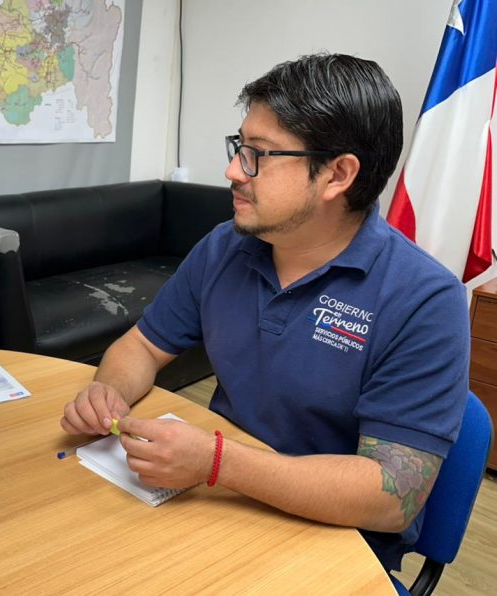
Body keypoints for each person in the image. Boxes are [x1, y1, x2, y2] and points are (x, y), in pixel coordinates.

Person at [59, 53, 469, 571]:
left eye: (260, 154)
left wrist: (215, 462)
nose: (233, 170)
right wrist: (109, 392)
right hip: (213, 500)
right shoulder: (225, 246)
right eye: (239, 146)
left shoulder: (425, 300)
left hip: (332, 548)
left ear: (338, 175)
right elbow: (142, 344)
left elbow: (391, 499)